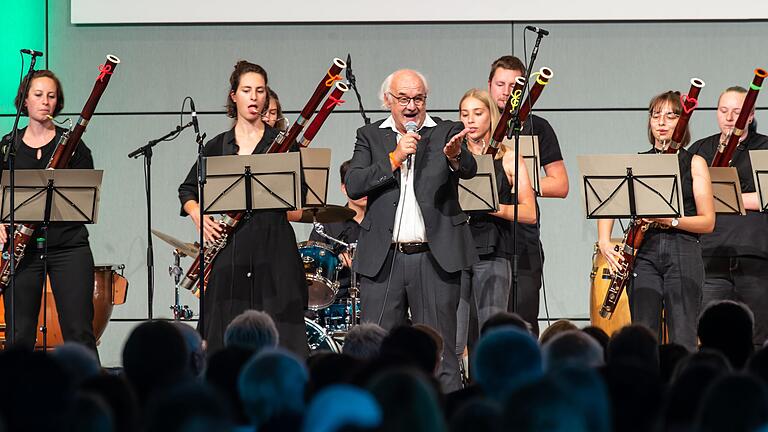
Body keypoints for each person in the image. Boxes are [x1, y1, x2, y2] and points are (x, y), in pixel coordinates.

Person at [345, 69, 477, 391]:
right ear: (388, 100)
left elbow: (470, 170)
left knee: (441, 352)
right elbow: (354, 184)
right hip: (384, 258)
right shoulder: (370, 136)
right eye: (403, 98)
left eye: (418, 98)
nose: (411, 106)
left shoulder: (447, 131)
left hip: (433, 258)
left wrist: (454, 156)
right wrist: (394, 157)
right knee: (376, 352)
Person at [178, 60, 307, 356]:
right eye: (246, 90)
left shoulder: (284, 144)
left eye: (260, 91)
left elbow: (300, 196)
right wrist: (199, 215)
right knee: (224, 332)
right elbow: (187, 189)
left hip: (274, 247)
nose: (254, 97)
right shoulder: (216, 145)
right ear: (233, 96)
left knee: (283, 336)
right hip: (231, 249)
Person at [598, 91, 715, 351]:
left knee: (683, 337)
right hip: (644, 254)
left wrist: (669, 219)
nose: (662, 121)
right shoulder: (637, 163)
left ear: (682, 123)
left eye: (671, 115)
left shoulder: (695, 163)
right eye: (655, 115)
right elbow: (608, 203)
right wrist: (604, 242)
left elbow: (707, 222)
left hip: (683, 250)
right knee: (643, 336)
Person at [1, 70, 97, 355]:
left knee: (79, 331)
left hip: (69, 247)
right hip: (22, 250)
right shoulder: (8, 147)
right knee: (19, 335)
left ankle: (88, 396)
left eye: (51, 96)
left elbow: (83, 198)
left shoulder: (73, 146)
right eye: (38, 95)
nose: (45, 102)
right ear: (25, 101)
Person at [487, 55, 569, 335]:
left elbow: (560, 184)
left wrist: (520, 181)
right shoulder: (476, 125)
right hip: (481, 238)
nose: (507, 91)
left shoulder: (539, 127)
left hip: (523, 239)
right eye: (500, 83)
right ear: (489, 85)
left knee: (524, 322)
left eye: (515, 85)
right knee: (484, 324)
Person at [455, 89, 537, 360]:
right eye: (464, 114)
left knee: (492, 334)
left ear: (492, 116)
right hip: (454, 252)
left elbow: (529, 212)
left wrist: (495, 207)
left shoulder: (510, 158)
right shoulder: (453, 157)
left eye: (478, 113)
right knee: (454, 336)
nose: (470, 120)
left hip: (494, 251)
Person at [687, 86, 768, 346]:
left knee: (756, 337)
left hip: (755, 254)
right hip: (710, 254)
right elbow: (688, 199)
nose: (730, 117)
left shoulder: (765, 147)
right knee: (708, 336)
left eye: (737, 111)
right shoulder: (700, 149)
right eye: (723, 111)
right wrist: (749, 200)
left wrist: (725, 199)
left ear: (751, 115)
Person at [308, 159, 367, 298]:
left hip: (378, 296)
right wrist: (337, 259)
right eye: (356, 184)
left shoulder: (384, 221)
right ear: (344, 188)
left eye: (366, 183)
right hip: (338, 298)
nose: (364, 190)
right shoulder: (328, 223)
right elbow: (313, 258)